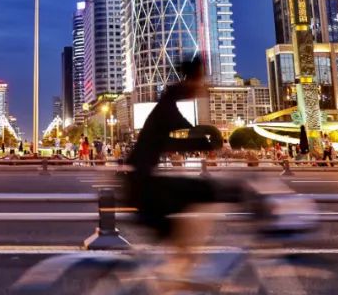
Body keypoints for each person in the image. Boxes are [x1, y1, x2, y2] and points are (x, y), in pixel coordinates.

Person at [124, 57, 317, 278]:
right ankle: (180, 275)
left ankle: (179, 277)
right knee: (213, 191)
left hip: (141, 184)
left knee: (184, 237)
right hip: (142, 186)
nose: (203, 86)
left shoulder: (170, 101)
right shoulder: (170, 103)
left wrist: (222, 149)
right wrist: (213, 146)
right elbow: (177, 141)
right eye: (201, 80)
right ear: (194, 78)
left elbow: (191, 137)